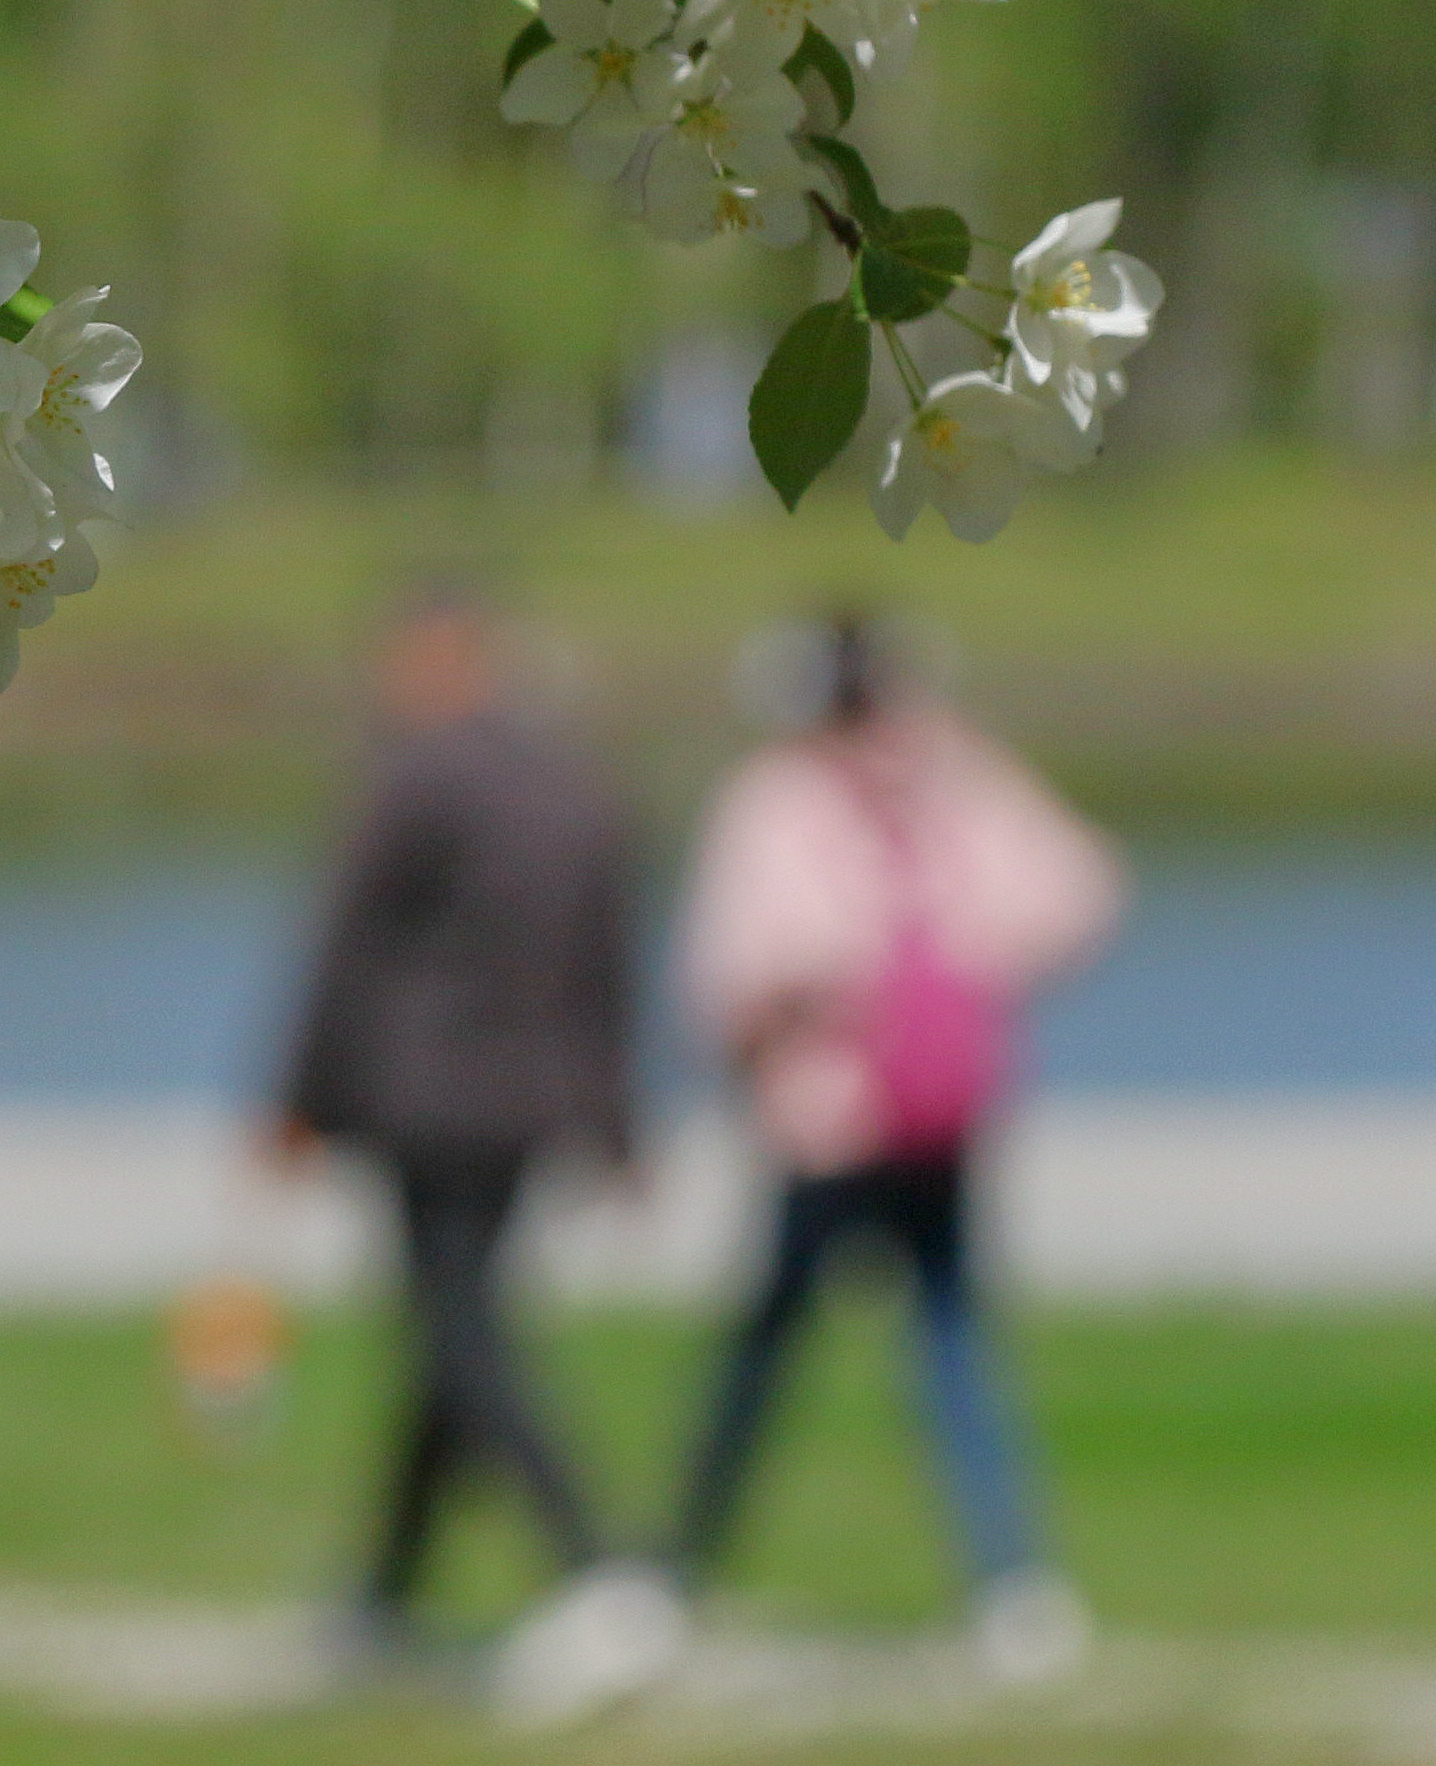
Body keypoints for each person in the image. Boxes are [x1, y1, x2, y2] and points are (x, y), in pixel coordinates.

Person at [507, 607, 1123, 1717]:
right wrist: (964, 979)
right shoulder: (954, 777)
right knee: (948, 1342)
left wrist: (782, 1026)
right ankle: (1013, 1584)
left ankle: (679, 1567)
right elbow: (1072, 891)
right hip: (938, 1116)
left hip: (827, 1121)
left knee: (762, 1351)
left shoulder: (780, 795)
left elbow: (743, 964)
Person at [265, 584, 646, 1661]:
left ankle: (591, 1561)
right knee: (447, 1328)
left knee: (459, 1331)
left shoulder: (416, 774)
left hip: (425, 1096)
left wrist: (296, 1099)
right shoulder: (575, 782)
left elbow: (343, 945)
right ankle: (383, 1593)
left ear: (445, 656)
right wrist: (617, 1118)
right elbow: (608, 968)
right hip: (529, 1101)